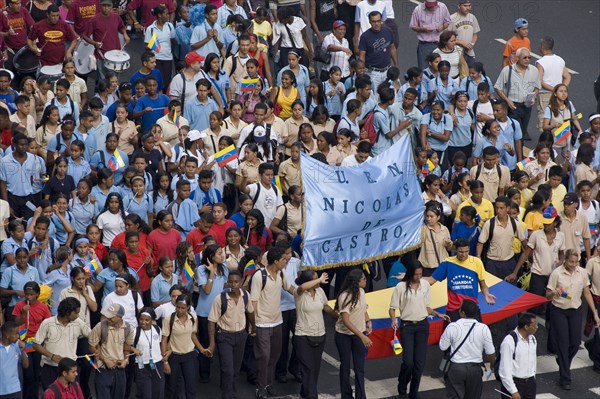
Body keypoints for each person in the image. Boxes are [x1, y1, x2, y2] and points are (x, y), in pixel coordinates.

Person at [389, 261, 450, 398]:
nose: (418, 277)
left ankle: (414, 393)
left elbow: (426, 307)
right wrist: (394, 319)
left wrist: (437, 314)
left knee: (419, 364)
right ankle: (402, 386)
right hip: (407, 327)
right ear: (410, 273)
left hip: (422, 326)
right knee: (408, 362)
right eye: (416, 274)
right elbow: (392, 308)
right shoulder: (400, 287)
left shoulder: (425, 285)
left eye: (421, 274)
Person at [547, 249, 600, 390]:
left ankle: (562, 361)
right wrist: (554, 292)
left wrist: (594, 313)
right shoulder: (556, 273)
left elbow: (586, 292)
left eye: (576, 262)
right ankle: (565, 378)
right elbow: (547, 295)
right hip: (559, 310)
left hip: (575, 310)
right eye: (571, 261)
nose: (573, 264)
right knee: (563, 343)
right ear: (565, 260)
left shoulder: (582, 272)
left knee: (575, 343)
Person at [250, 246, 296, 399]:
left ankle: (268, 383)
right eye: (283, 259)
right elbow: (254, 302)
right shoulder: (259, 276)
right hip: (262, 323)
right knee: (264, 356)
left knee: (275, 355)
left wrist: (302, 292)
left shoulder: (280, 273)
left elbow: (289, 288)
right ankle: (260, 386)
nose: (286, 261)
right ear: (275, 261)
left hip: (277, 321)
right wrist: (253, 324)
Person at [207, 270, 255, 399]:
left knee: (235, 369)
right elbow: (211, 321)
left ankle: (229, 390)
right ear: (227, 283)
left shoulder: (246, 296)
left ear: (241, 282)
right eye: (231, 282)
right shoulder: (220, 299)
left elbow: (250, 312)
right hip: (224, 337)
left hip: (241, 336)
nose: (233, 285)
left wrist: (253, 328)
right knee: (227, 369)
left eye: (236, 282)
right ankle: (228, 395)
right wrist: (212, 343)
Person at [425, 238, 496, 320]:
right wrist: (410, 277)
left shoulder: (477, 262)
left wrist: (486, 294)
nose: (464, 254)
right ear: (455, 250)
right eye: (461, 252)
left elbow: (483, 285)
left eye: (466, 251)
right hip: (454, 309)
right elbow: (431, 280)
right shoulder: (448, 263)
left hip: (471, 308)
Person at [439, 299, 495, 399]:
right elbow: (490, 352)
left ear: (462, 312)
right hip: (475, 370)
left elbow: (442, 346)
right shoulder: (483, 328)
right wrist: (491, 365)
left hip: (456, 369)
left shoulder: (452, 326)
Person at [33, 297, 90, 390]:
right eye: (76, 312)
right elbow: (36, 345)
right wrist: (51, 356)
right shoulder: (47, 323)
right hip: (50, 368)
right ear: (68, 313)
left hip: (70, 370)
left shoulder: (78, 323)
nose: (78, 315)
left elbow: (92, 336)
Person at [162, 294, 211, 399]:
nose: (180, 310)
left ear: (188, 307)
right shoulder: (169, 319)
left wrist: (201, 349)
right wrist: (165, 361)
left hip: (189, 355)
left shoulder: (193, 318)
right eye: (178, 307)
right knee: (171, 386)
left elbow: (193, 335)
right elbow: (164, 339)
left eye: (183, 308)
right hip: (173, 355)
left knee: (191, 386)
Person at [334, 268, 371, 399]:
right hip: (343, 335)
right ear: (356, 282)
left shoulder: (361, 292)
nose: (366, 281)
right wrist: (362, 336)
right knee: (345, 366)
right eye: (363, 279)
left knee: (359, 368)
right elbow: (346, 320)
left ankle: (361, 396)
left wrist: (368, 321)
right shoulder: (345, 296)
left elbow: (364, 309)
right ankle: (346, 396)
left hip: (359, 333)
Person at [88, 303, 134, 399]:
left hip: (120, 370)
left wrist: (126, 360)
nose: (108, 318)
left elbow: (127, 348)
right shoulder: (100, 326)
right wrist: (105, 359)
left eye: (111, 317)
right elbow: (91, 346)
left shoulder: (128, 328)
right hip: (103, 369)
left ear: (119, 317)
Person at [494, 47, 540, 141]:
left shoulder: (534, 70)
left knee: (522, 132)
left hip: (527, 107)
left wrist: (534, 96)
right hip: (513, 107)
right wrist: (507, 100)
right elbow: (498, 88)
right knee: (515, 132)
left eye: (529, 57)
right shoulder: (508, 70)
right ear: (517, 58)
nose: (527, 60)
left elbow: (537, 87)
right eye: (525, 57)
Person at [476, 196, 525, 279]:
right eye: (497, 208)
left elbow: (524, 242)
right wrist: (478, 257)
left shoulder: (515, 224)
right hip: (492, 263)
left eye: (501, 208)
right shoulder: (489, 223)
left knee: (509, 290)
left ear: (508, 208)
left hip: (509, 263)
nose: (498, 211)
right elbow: (480, 243)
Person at [498, 313, 538, 399]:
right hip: (515, 384)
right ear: (526, 327)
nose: (537, 327)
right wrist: (513, 391)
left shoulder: (533, 339)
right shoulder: (509, 341)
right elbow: (504, 369)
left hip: (530, 384)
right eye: (534, 325)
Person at [358, 11, 397, 98]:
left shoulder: (388, 31)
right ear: (370, 22)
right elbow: (362, 56)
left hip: (387, 71)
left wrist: (396, 65)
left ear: (381, 21)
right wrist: (361, 72)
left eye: (378, 21)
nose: (376, 24)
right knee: (375, 98)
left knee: (390, 96)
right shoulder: (365, 36)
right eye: (374, 21)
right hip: (373, 73)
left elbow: (392, 48)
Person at [536, 36, 571, 132]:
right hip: (558, 97)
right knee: (559, 119)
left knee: (545, 124)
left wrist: (555, 90)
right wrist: (561, 91)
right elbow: (567, 76)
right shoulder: (560, 60)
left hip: (545, 96)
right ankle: (559, 143)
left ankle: (547, 145)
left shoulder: (541, 62)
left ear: (542, 47)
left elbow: (540, 81)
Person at [0, 134, 39, 219]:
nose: (24, 147)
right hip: (12, 198)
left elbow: (31, 178)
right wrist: (7, 205)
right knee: (15, 225)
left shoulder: (32, 158)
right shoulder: (5, 161)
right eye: (21, 144)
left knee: (28, 223)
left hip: (28, 197)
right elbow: (2, 183)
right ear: (14, 145)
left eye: (26, 144)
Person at [409, 0, 451, 70]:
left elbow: (448, 21)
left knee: (441, 68)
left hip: (440, 44)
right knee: (424, 69)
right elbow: (413, 26)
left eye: (433, 6)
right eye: (429, 6)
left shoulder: (443, 7)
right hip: (425, 45)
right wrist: (424, 29)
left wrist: (442, 27)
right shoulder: (418, 9)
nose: (431, 8)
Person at [240, 163, 284, 227]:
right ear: (260, 175)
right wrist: (244, 178)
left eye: (272, 175)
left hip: (272, 227)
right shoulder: (255, 187)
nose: (270, 177)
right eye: (267, 175)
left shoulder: (276, 189)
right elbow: (243, 189)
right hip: (258, 227)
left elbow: (279, 207)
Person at [0, 321, 29, 399]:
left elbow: (26, 365)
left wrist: (23, 350)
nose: (18, 336)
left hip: (15, 389)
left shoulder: (17, 345)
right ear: (7, 335)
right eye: (16, 334)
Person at [448, 0, 479, 65]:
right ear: (459, 6)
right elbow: (446, 38)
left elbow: (475, 34)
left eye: (469, 5)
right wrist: (461, 42)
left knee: (472, 72)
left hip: (470, 53)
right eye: (465, 6)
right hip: (455, 53)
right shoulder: (452, 19)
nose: (468, 8)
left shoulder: (472, 17)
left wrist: (472, 44)